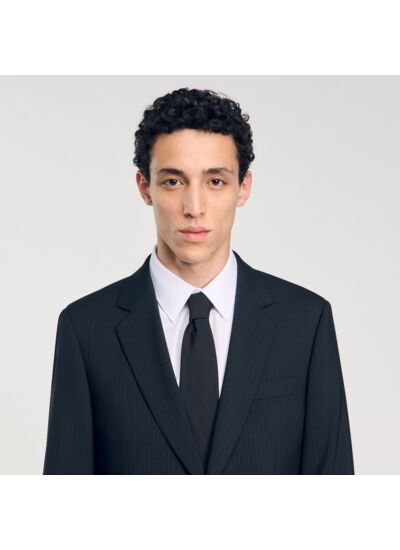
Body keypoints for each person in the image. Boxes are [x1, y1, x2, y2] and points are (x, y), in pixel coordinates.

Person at [43, 87, 354, 474]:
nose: (194, 208)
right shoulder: (86, 329)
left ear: (243, 187)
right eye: (173, 182)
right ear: (145, 187)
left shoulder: (305, 322)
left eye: (215, 181)